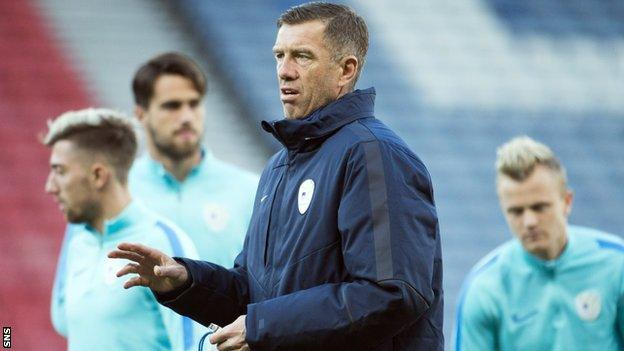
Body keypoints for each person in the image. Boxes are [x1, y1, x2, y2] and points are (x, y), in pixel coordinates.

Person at [110, 3, 443, 350]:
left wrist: (262, 326)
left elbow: (390, 292)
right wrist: (186, 281)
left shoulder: (374, 155)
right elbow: (254, 296)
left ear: (345, 70)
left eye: (302, 56)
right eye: (279, 55)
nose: (284, 71)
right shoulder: (278, 168)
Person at [50, 53, 258, 345]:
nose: (186, 116)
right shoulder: (111, 189)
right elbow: (65, 308)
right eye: (171, 106)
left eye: (194, 104)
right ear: (140, 114)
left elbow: (264, 288)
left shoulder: (250, 190)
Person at [44, 108, 205, 350]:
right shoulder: (78, 243)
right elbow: (66, 325)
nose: (50, 187)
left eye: (60, 171)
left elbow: (196, 345)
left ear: (98, 175)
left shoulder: (162, 242)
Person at [453, 136, 624, 350]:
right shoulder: (485, 288)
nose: (529, 221)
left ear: (567, 202)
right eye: (516, 211)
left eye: (539, 207)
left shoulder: (616, 265)